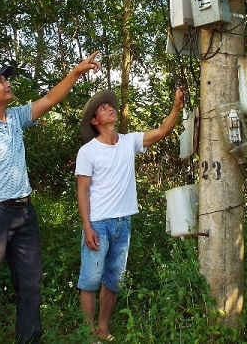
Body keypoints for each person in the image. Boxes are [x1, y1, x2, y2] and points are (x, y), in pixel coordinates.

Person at [0, 51, 101, 344]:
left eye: (4, 78)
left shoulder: (15, 117)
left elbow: (49, 99)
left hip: (23, 212)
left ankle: (29, 339)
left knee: (30, 283)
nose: (5, 83)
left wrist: (74, 73)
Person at [75, 87, 185, 341]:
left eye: (110, 105)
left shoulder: (128, 141)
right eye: (103, 108)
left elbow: (161, 132)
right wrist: (88, 227)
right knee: (90, 279)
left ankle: (103, 328)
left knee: (113, 280)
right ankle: (88, 333)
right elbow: (82, 192)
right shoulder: (88, 151)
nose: (110, 108)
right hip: (98, 224)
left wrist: (176, 107)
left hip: (123, 223)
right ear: (94, 121)